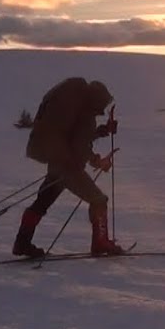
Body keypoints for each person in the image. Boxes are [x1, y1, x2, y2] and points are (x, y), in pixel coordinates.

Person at [15, 77, 124, 258]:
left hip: (57, 163)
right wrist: (98, 161)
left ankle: (22, 242)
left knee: (41, 204)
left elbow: (78, 138)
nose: (102, 109)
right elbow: (80, 146)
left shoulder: (78, 111)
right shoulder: (85, 115)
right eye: (102, 104)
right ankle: (100, 243)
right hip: (69, 169)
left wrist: (102, 132)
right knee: (99, 200)